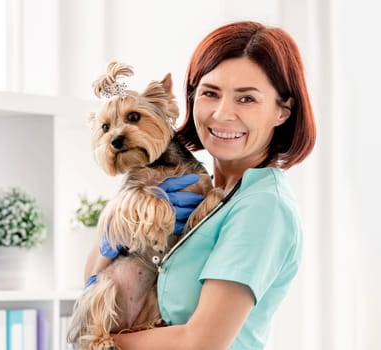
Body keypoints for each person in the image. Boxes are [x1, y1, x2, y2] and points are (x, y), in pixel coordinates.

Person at [84, 20, 316, 349]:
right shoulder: (191, 188)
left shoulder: (264, 206)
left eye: (246, 99)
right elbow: (96, 284)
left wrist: (103, 344)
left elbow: (201, 342)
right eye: (210, 93)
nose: (222, 114)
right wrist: (112, 234)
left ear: (282, 111)